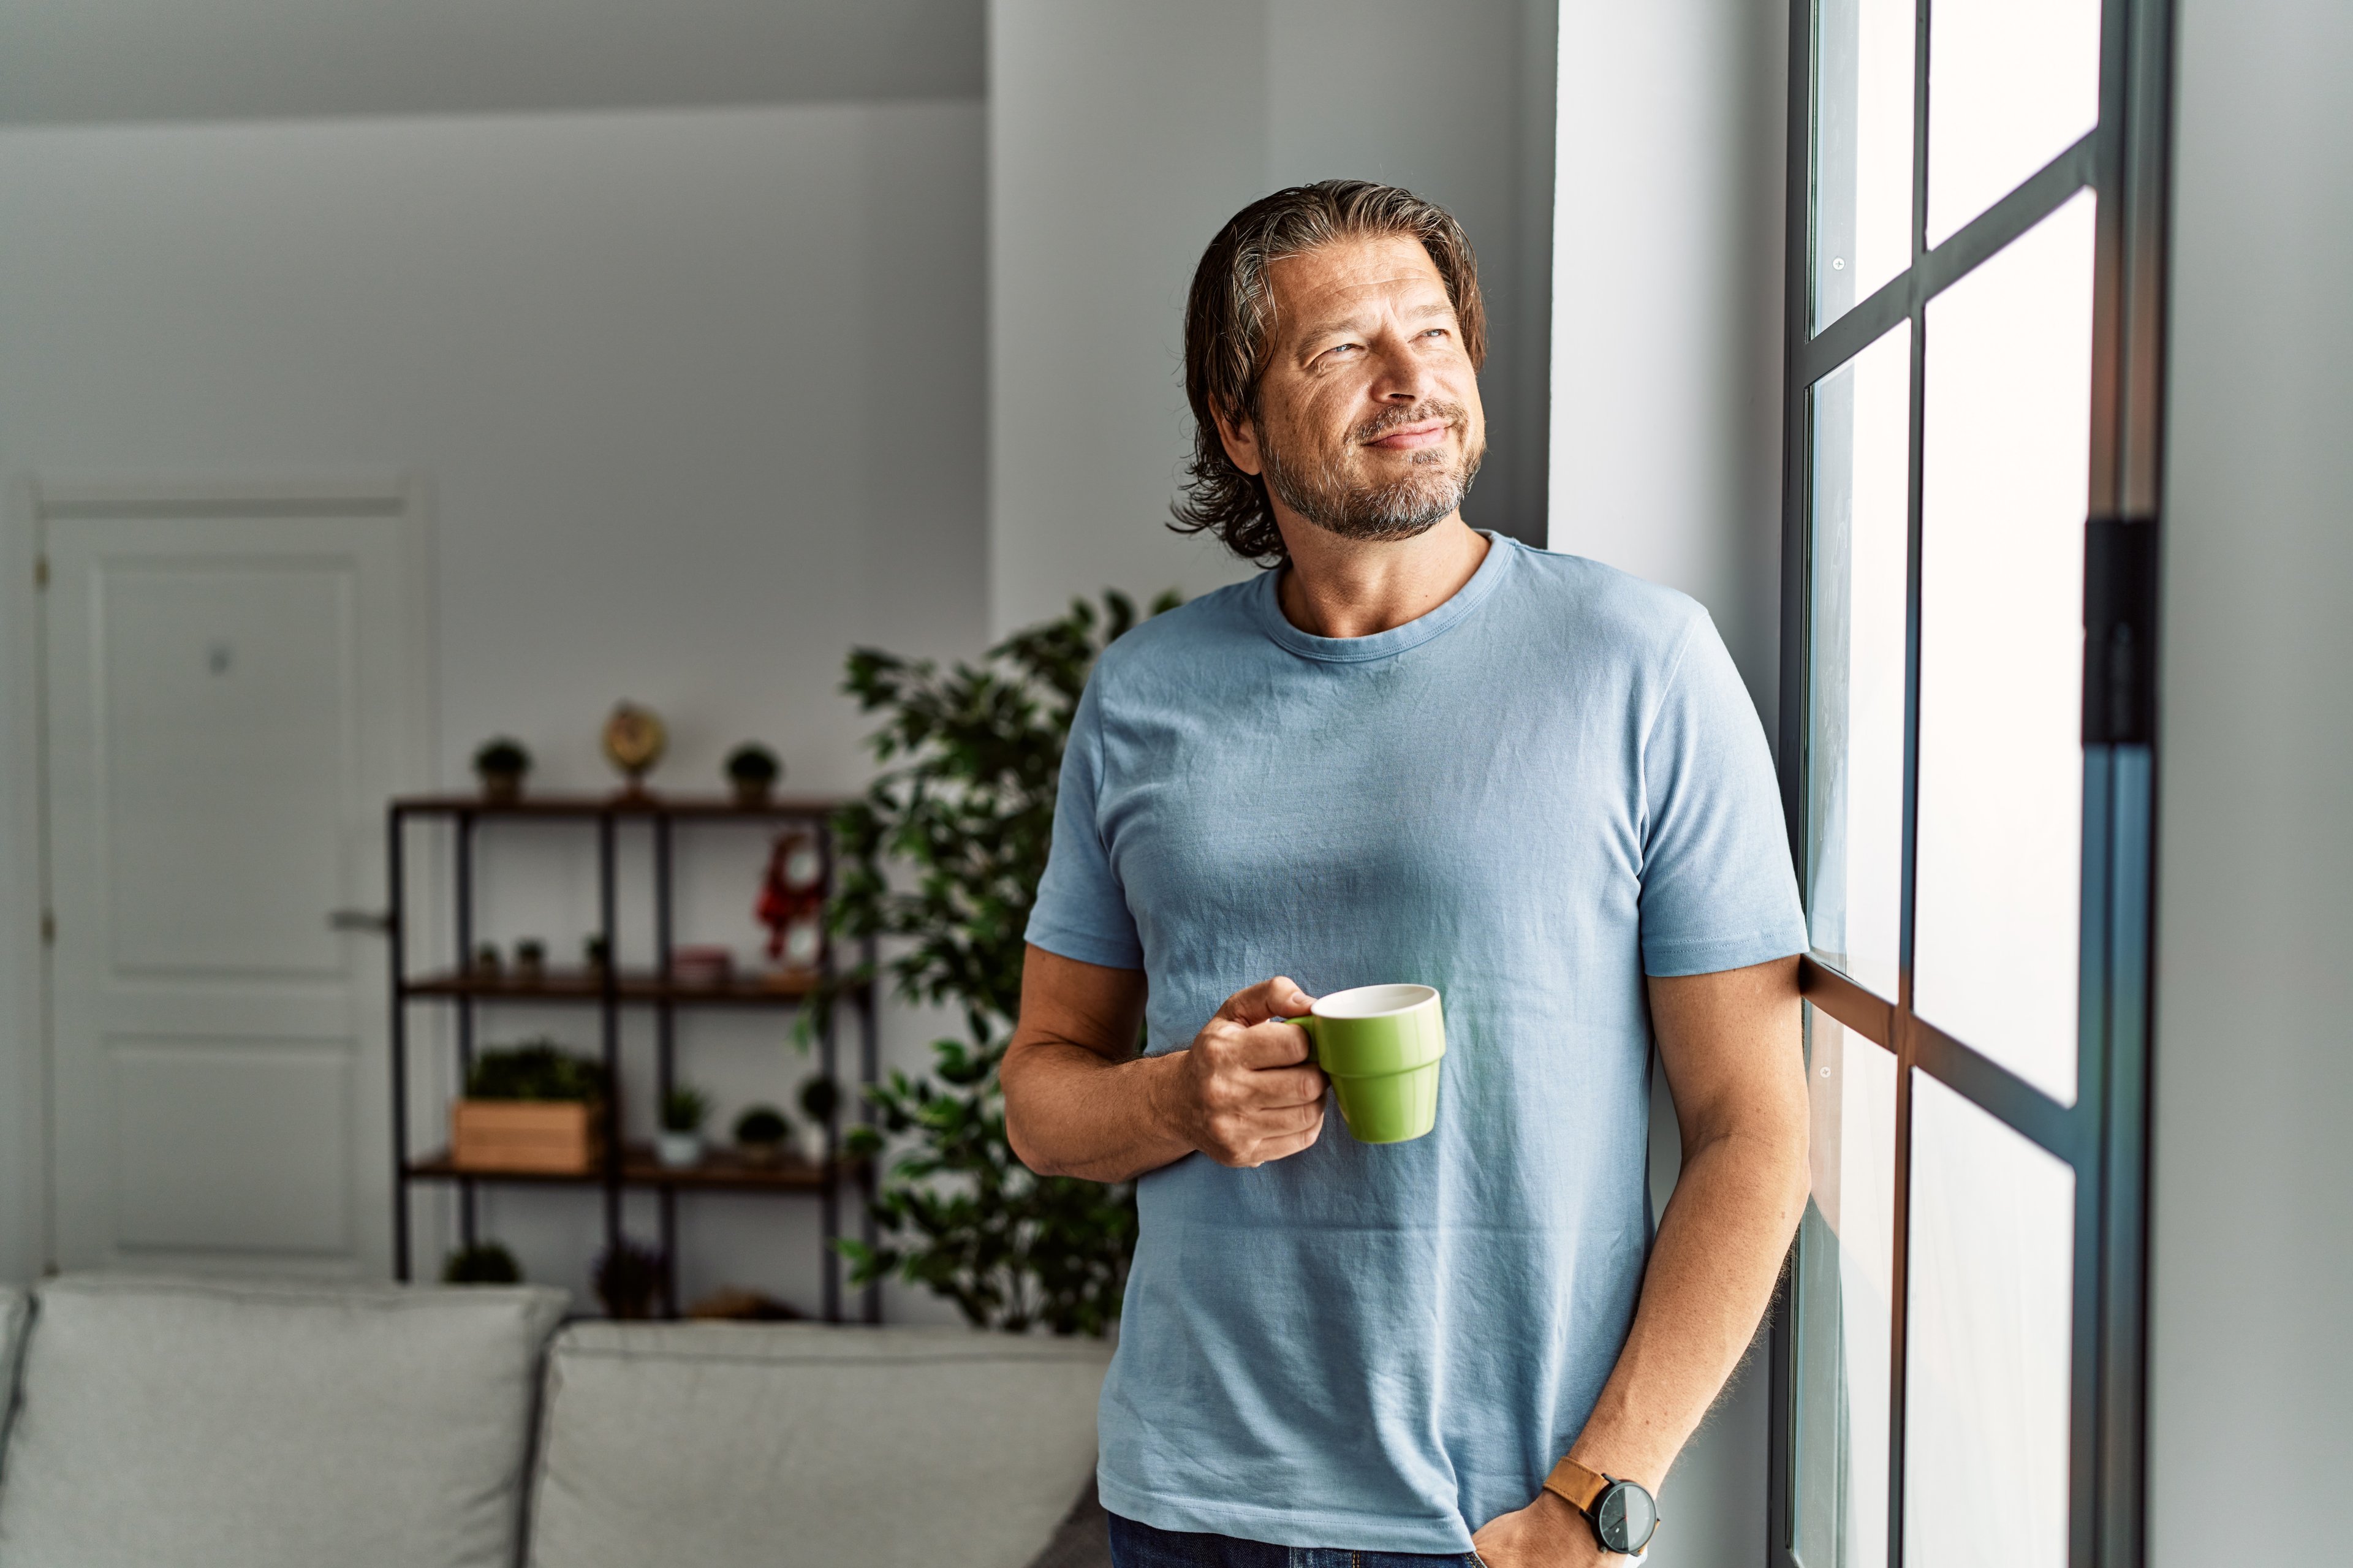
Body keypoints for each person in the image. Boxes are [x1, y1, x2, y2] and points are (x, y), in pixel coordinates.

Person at [1000, 180, 1809, 1568]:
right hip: (1190, 1502)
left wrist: (1598, 1496)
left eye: (1433, 335)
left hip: (1500, 1519)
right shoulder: (1144, 695)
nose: (1411, 380)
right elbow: (1041, 1092)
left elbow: (1753, 1126)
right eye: (1341, 350)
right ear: (1238, 424)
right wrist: (1175, 1094)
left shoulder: (1642, 663)